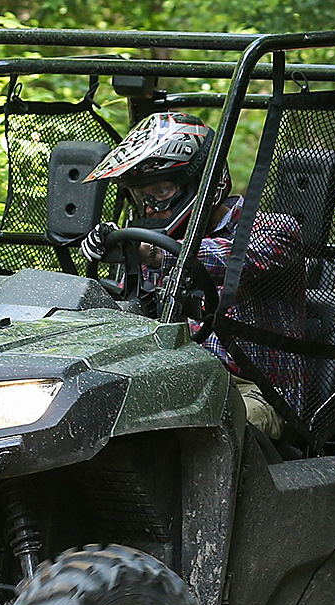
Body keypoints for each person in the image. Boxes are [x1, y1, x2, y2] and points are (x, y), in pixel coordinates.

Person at [80, 111, 306, 438]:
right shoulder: (157, 241)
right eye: (145, 197)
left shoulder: (274, 229)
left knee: (197, 428)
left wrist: (153, 250)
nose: (152, 208)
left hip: (254, 392)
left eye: (162, 191)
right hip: (175, 377)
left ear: (204, 183)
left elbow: (229, 258)